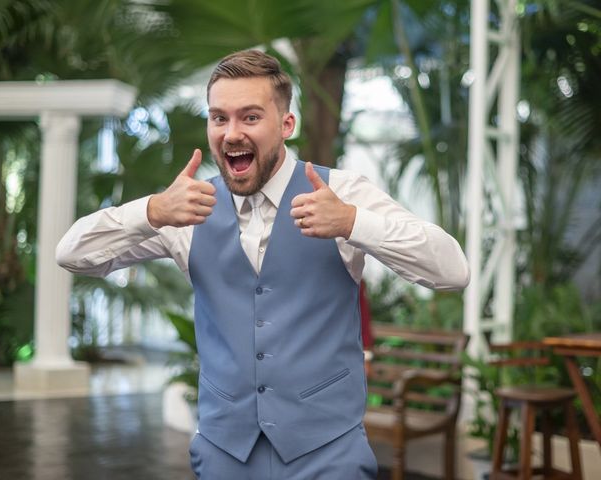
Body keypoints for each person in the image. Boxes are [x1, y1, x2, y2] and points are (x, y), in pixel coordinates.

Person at [56, 49, 469, 479]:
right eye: (219, 118)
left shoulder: (343, 193)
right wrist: (151, 211)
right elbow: (71, 253)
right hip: (223, 455)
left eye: (250, 117)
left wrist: (352, 221)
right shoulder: (186, 210)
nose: (232, 133)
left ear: (287, 124)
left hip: (328, 455)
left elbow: (452, 270)